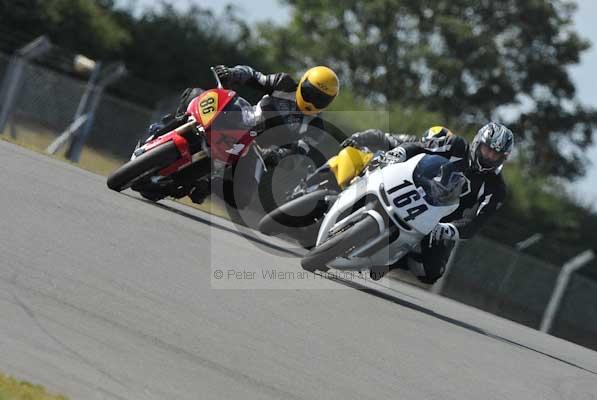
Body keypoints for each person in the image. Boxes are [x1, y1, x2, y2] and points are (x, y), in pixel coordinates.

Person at [146, 65, 340, 206]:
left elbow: (300, 152)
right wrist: (232, 73)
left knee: (242, 197)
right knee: (198, 94)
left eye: (320, 99)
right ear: (302, 84)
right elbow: (254, 76)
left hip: (256, 148)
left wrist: (279, 155)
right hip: (242, 119)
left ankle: (205, 184)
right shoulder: (284, 84)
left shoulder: (316, 125)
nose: (312, 100)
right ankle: (167, 126)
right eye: (309, 92)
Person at [346, 122, 513, 284]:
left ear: (502, 158)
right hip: (412, 187)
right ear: (478, 142)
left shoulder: (496, 188)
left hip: (438, 221)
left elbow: (476, 223)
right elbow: (418, 147)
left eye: (496, 154)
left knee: (431, 272)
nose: (490, 156)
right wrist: (398, 154)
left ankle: (392, 262)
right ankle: (350, 198)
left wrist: (448, 229)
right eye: (488, 149)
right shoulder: (456, 145)